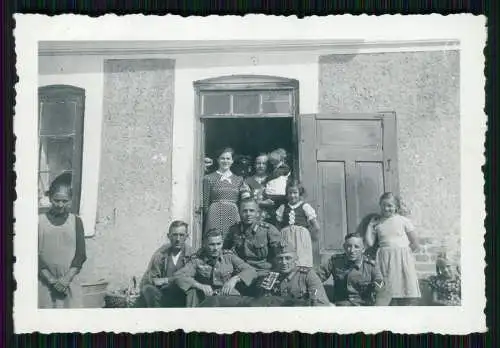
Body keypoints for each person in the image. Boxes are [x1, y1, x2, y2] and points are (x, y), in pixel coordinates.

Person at [38, 173, 87, 308]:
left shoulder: (76, 221)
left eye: (65, 201)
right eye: (56, 200)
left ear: (70, 200)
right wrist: (52, 281)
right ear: (50, 198)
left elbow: (81, 255)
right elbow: (33, 256)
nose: (60, 205)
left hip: (69, 283)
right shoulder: (39, 221)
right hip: (44, 284)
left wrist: (65, 280)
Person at [173, 229, 257, 307]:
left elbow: (251, 270)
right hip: (206, 298)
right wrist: (200, 286)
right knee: (192, 293)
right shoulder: (197, 260)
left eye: (218, 244)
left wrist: (234, 279)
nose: (216, 248)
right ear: (204, 244)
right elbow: (178, 276)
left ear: (222, 243)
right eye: (212, 244)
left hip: (227, 295)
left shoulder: (229, 257)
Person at [365, 192, 421, 306]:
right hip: (385, 258)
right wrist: (370, 226)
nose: (386, 208)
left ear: (396, 207)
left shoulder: (403, 220)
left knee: (404, 287)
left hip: (401, 257)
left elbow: (415, 243)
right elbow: (370, 243)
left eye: (390, 206)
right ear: (380, 205)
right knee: (388, 288)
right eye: (384, 205)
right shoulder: (378, 223)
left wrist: (405, 255)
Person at [316, 233, 391, 306]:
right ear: (344, 247)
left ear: (363, 249)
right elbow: (314, 281)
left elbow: (382, 291)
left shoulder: (371, 266)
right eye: (349, 246)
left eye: (356, 247)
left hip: (363, 308)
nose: (352, 250)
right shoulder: (335, 261)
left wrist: (377, 310)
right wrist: (324, 302)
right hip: (340, 308)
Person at [252, 240, 330, 306]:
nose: (284, 262)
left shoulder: (307, 275)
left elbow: (321, 303)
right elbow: (261, 305)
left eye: (288, 258)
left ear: (295, 258)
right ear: (275, 260)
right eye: (280, 258)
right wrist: (262, 290)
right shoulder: (271, 276)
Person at [139, 220, 194, 308]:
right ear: (169, 236)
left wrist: (166, 280)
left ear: (187, 236)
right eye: (175, 235)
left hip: (184, 296)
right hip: (164, 295)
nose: (178, 239)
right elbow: (152, 277)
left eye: (181, 235)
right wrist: (154, 281)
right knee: (148, 289)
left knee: (193, 291)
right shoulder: (161, 254)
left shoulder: (192, 255)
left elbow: (189, 277)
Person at [224, 198, 281, 277]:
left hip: (262, 272)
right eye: (244, 211)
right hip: (241, 272)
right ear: (239, 213)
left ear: (257, 213)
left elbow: (280, 254)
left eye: (251, 210)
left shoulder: (268, 230)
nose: (248, 214)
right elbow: (225, 251)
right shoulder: (234, 230)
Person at [203, 147, 250, 240]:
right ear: (217, 160)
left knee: (233, 239)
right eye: (222, 158)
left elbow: (244, 200)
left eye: (228, 158)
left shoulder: (239, 179)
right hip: (214, 213)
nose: (225, 161)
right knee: (214, 239)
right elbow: (205, 202)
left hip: (233, 213)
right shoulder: (209, 178)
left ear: (232, 161)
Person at [275, 180, 319, 267]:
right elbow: (278, 226)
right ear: (287, 194)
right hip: (286, 237)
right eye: (290, 193)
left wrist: (308, 236)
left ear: (300, 193)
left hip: (301, 237)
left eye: (295, 193)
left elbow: (316, 226)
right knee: (288, 258)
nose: (292, 195)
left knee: (301, 258)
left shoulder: (305, 207)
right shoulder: (283, 207)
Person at [244, 153, 274, 222]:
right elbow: (245, 201)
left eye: (264, 163)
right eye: (258, 163)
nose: (261, 166)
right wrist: (262, 203)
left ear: (267, 165)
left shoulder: (273, 180)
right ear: (254, 165)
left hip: (271, 217)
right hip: (252, 218)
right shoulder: (247, 181)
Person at [264, 148, 291, 216]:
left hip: (280, 194)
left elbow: (275, 175)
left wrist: (266, 179)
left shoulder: (284, 167)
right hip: (274, 194)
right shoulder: (275, 168)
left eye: (273, 161)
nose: (272, 163)